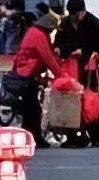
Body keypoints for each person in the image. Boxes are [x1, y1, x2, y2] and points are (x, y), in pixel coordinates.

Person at [54, 0, 99, 147]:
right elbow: (59, 41)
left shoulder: (93, 23)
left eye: (76, 14)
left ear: (82, 12)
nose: (74, 18)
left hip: (88, 68)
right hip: (70, 68)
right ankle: (73, 135)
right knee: (70, 100)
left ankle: (94, 135)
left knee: (89, 101)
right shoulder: (65, 23)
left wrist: (86, 51)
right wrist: (59, 49)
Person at [9, 13, 64, 148]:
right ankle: (35, 138)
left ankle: (31, 137)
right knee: (32, 109)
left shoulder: (36, 32)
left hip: (27, 74)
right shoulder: (39, 35)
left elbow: (50, 55)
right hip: (26, 75)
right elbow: (48, 58)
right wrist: (61, 75)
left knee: (31, 109)